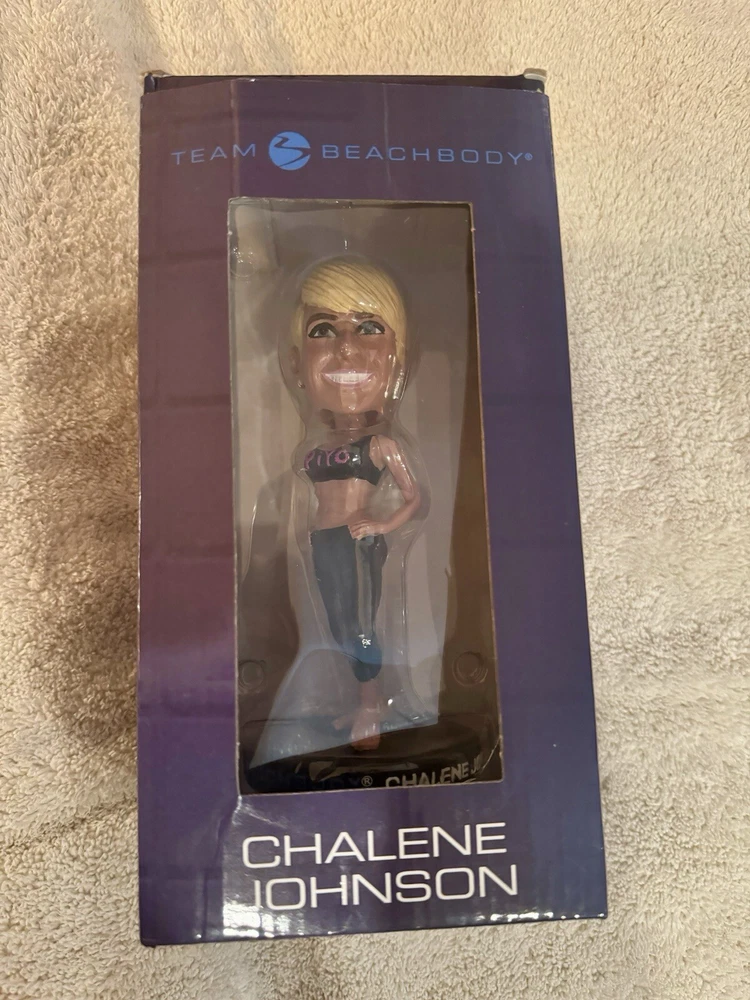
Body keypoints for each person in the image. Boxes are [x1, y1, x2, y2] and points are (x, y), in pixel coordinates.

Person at [288, 256, 422, 749]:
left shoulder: (383, 445)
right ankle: (364, 700)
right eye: (323, 330)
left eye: (368, 328)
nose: (346, 348)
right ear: (296, 364)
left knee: (362, 625)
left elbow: (413, 497)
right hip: (325, 542)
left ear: (397, 360)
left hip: (357, 542)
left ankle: (371, 706)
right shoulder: (314, 447)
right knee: (339, 625)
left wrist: (382, 527)